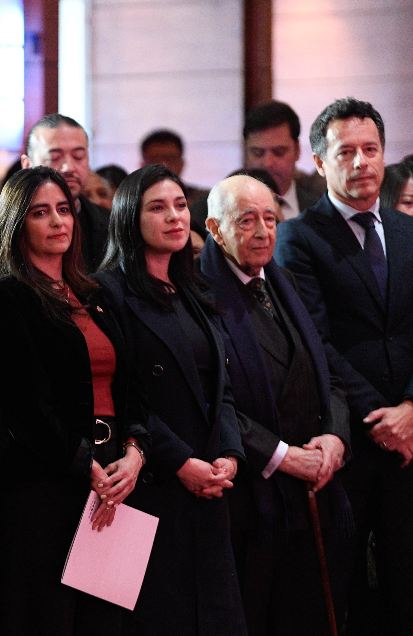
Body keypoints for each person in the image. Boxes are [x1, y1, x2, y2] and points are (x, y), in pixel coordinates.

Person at [0, 166, 149, 634]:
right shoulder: (3, 299)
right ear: (17, 225)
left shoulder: (96, 295)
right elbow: (24, 407)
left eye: (64, 210)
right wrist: (83, 463)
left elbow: (132, 387)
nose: (57, 221)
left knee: (104, 622)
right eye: (40, 213)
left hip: (111, 473)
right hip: (44, 483)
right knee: (45, 618)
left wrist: (134, 452)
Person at [274, 97, 413, 636]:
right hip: (348, 437)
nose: (361, 163)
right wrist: (381, 416)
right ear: (319, 161)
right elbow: (315, 341)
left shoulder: (406, 231)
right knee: (339, 590)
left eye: (371, 149)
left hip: (410, 435)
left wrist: (409, 408)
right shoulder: (299, 237)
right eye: (346, 152)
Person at [95, 164, 246, 636]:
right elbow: (125, 394)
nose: (175, 216)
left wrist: (229, 454)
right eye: (157, 208)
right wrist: (181, 461)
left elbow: (220, 388)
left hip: (209, 479)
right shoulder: (108, 291)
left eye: (180, 205)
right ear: (129, 218)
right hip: (153, 480)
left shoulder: (193, 289)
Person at [202, 175, 353, 635]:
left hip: (313, 485)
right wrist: (283, 457)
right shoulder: (199, 293)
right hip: (250, 497)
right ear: (215, 228)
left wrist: (335, 437)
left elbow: (326, 373)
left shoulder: (282, 281)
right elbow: (213, 400)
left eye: (270, 218)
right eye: (246, 221)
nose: (263, 231)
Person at [22, 115, 111, 272]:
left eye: (78, 157)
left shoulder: (111, 224)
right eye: (54, 158)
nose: (69, 167)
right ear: (27, 164)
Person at [242, 101, 325, 220]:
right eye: (258, 153)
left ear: (297, 150)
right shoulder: (225, 208)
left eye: (279, 152)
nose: (267, 163)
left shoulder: (321, 210)